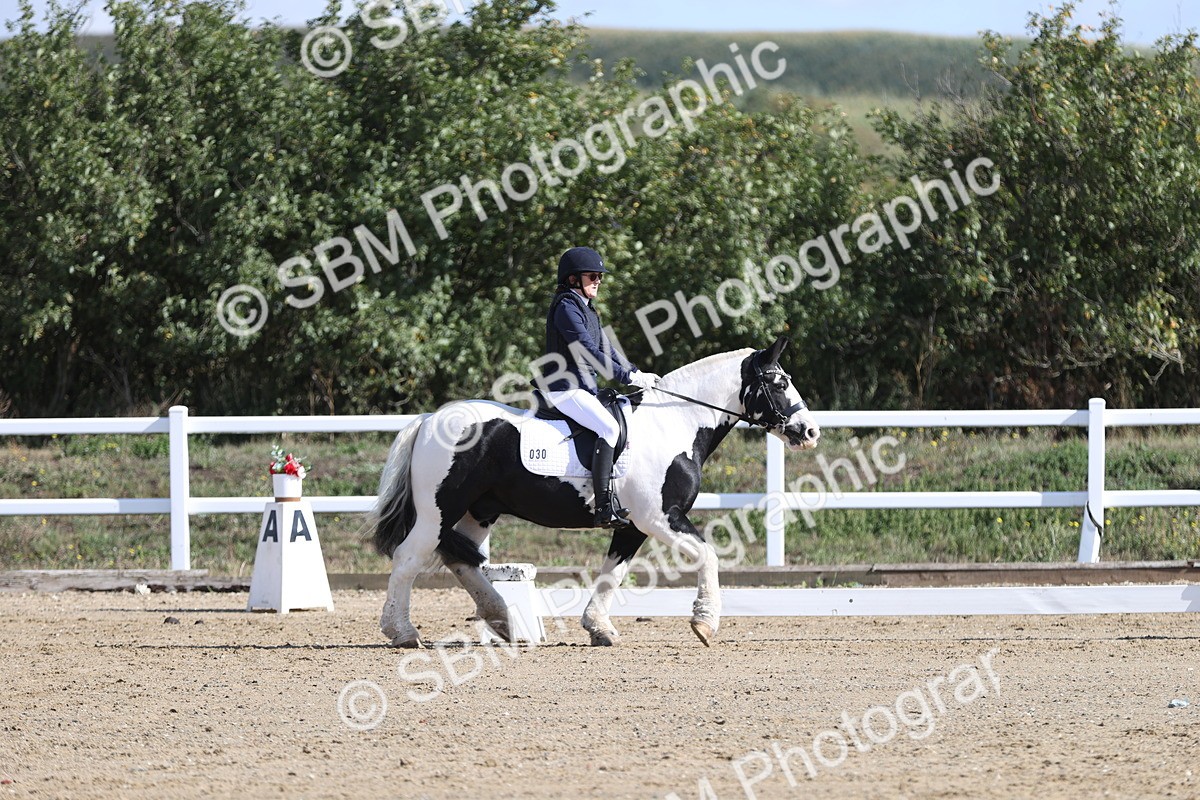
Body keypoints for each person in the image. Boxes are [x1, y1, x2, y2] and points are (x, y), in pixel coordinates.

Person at [541, 246, 661, 528]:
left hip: (583, 386)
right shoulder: (566, 308)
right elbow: (586, 348)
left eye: (600, 276)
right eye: (592, 275)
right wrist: (624, 377)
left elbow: (607, 347)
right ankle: (604, 505)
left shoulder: (587, 309)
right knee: (609, 428)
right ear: (573, 279)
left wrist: (636, 372)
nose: (598, 280)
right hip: (564, 387)